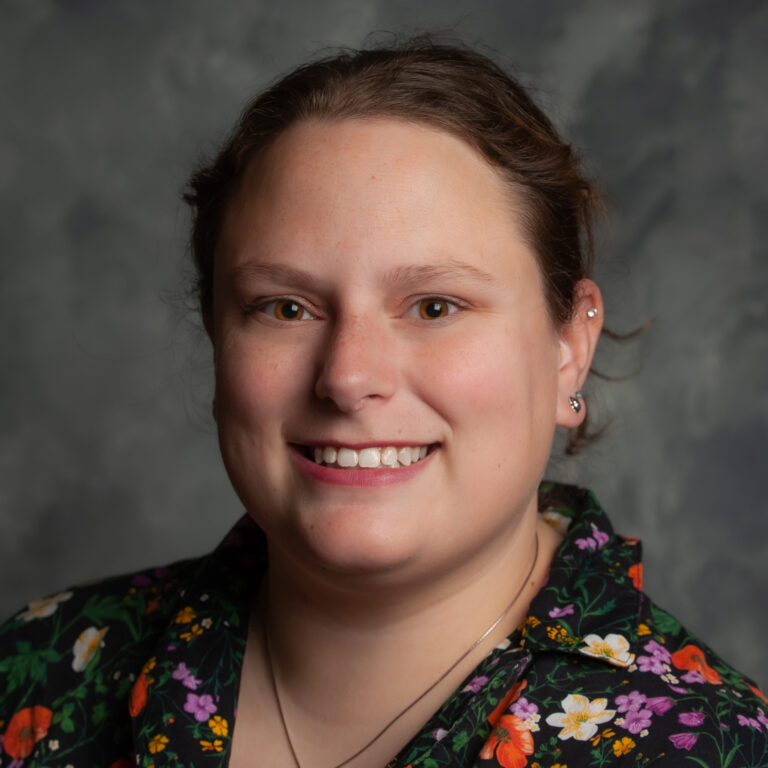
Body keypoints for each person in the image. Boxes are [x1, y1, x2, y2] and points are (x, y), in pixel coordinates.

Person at [1, 37, 765, 768]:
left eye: (434, 306)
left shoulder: (710, 749)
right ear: (215, 333)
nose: (347, 376)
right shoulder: (36, 670)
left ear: (569, 347)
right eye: (285, 307)